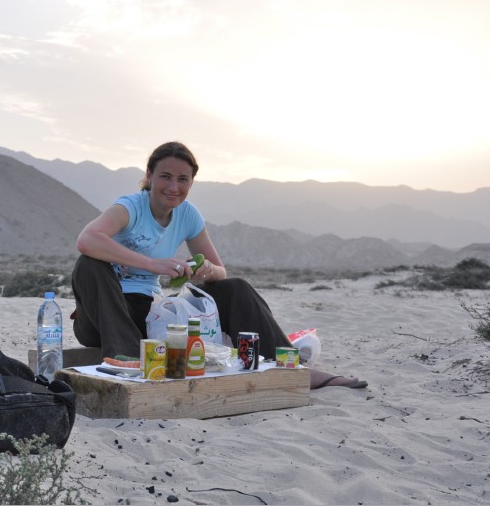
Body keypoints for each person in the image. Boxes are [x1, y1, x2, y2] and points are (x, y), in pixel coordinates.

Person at [71, 141, 368, 390]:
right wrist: (153, 264)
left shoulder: (188, 215)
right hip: (102, 316)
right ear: (149, 176)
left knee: (234, 287)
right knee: (90, 264)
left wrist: (207, 271)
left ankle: (289, 367)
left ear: (191, 183)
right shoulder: (131, 207)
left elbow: (219, 269)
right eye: (165, 176)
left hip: (147, 314)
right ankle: (123, 361)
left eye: (183, 179)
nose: (173, 187)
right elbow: (87, 239)